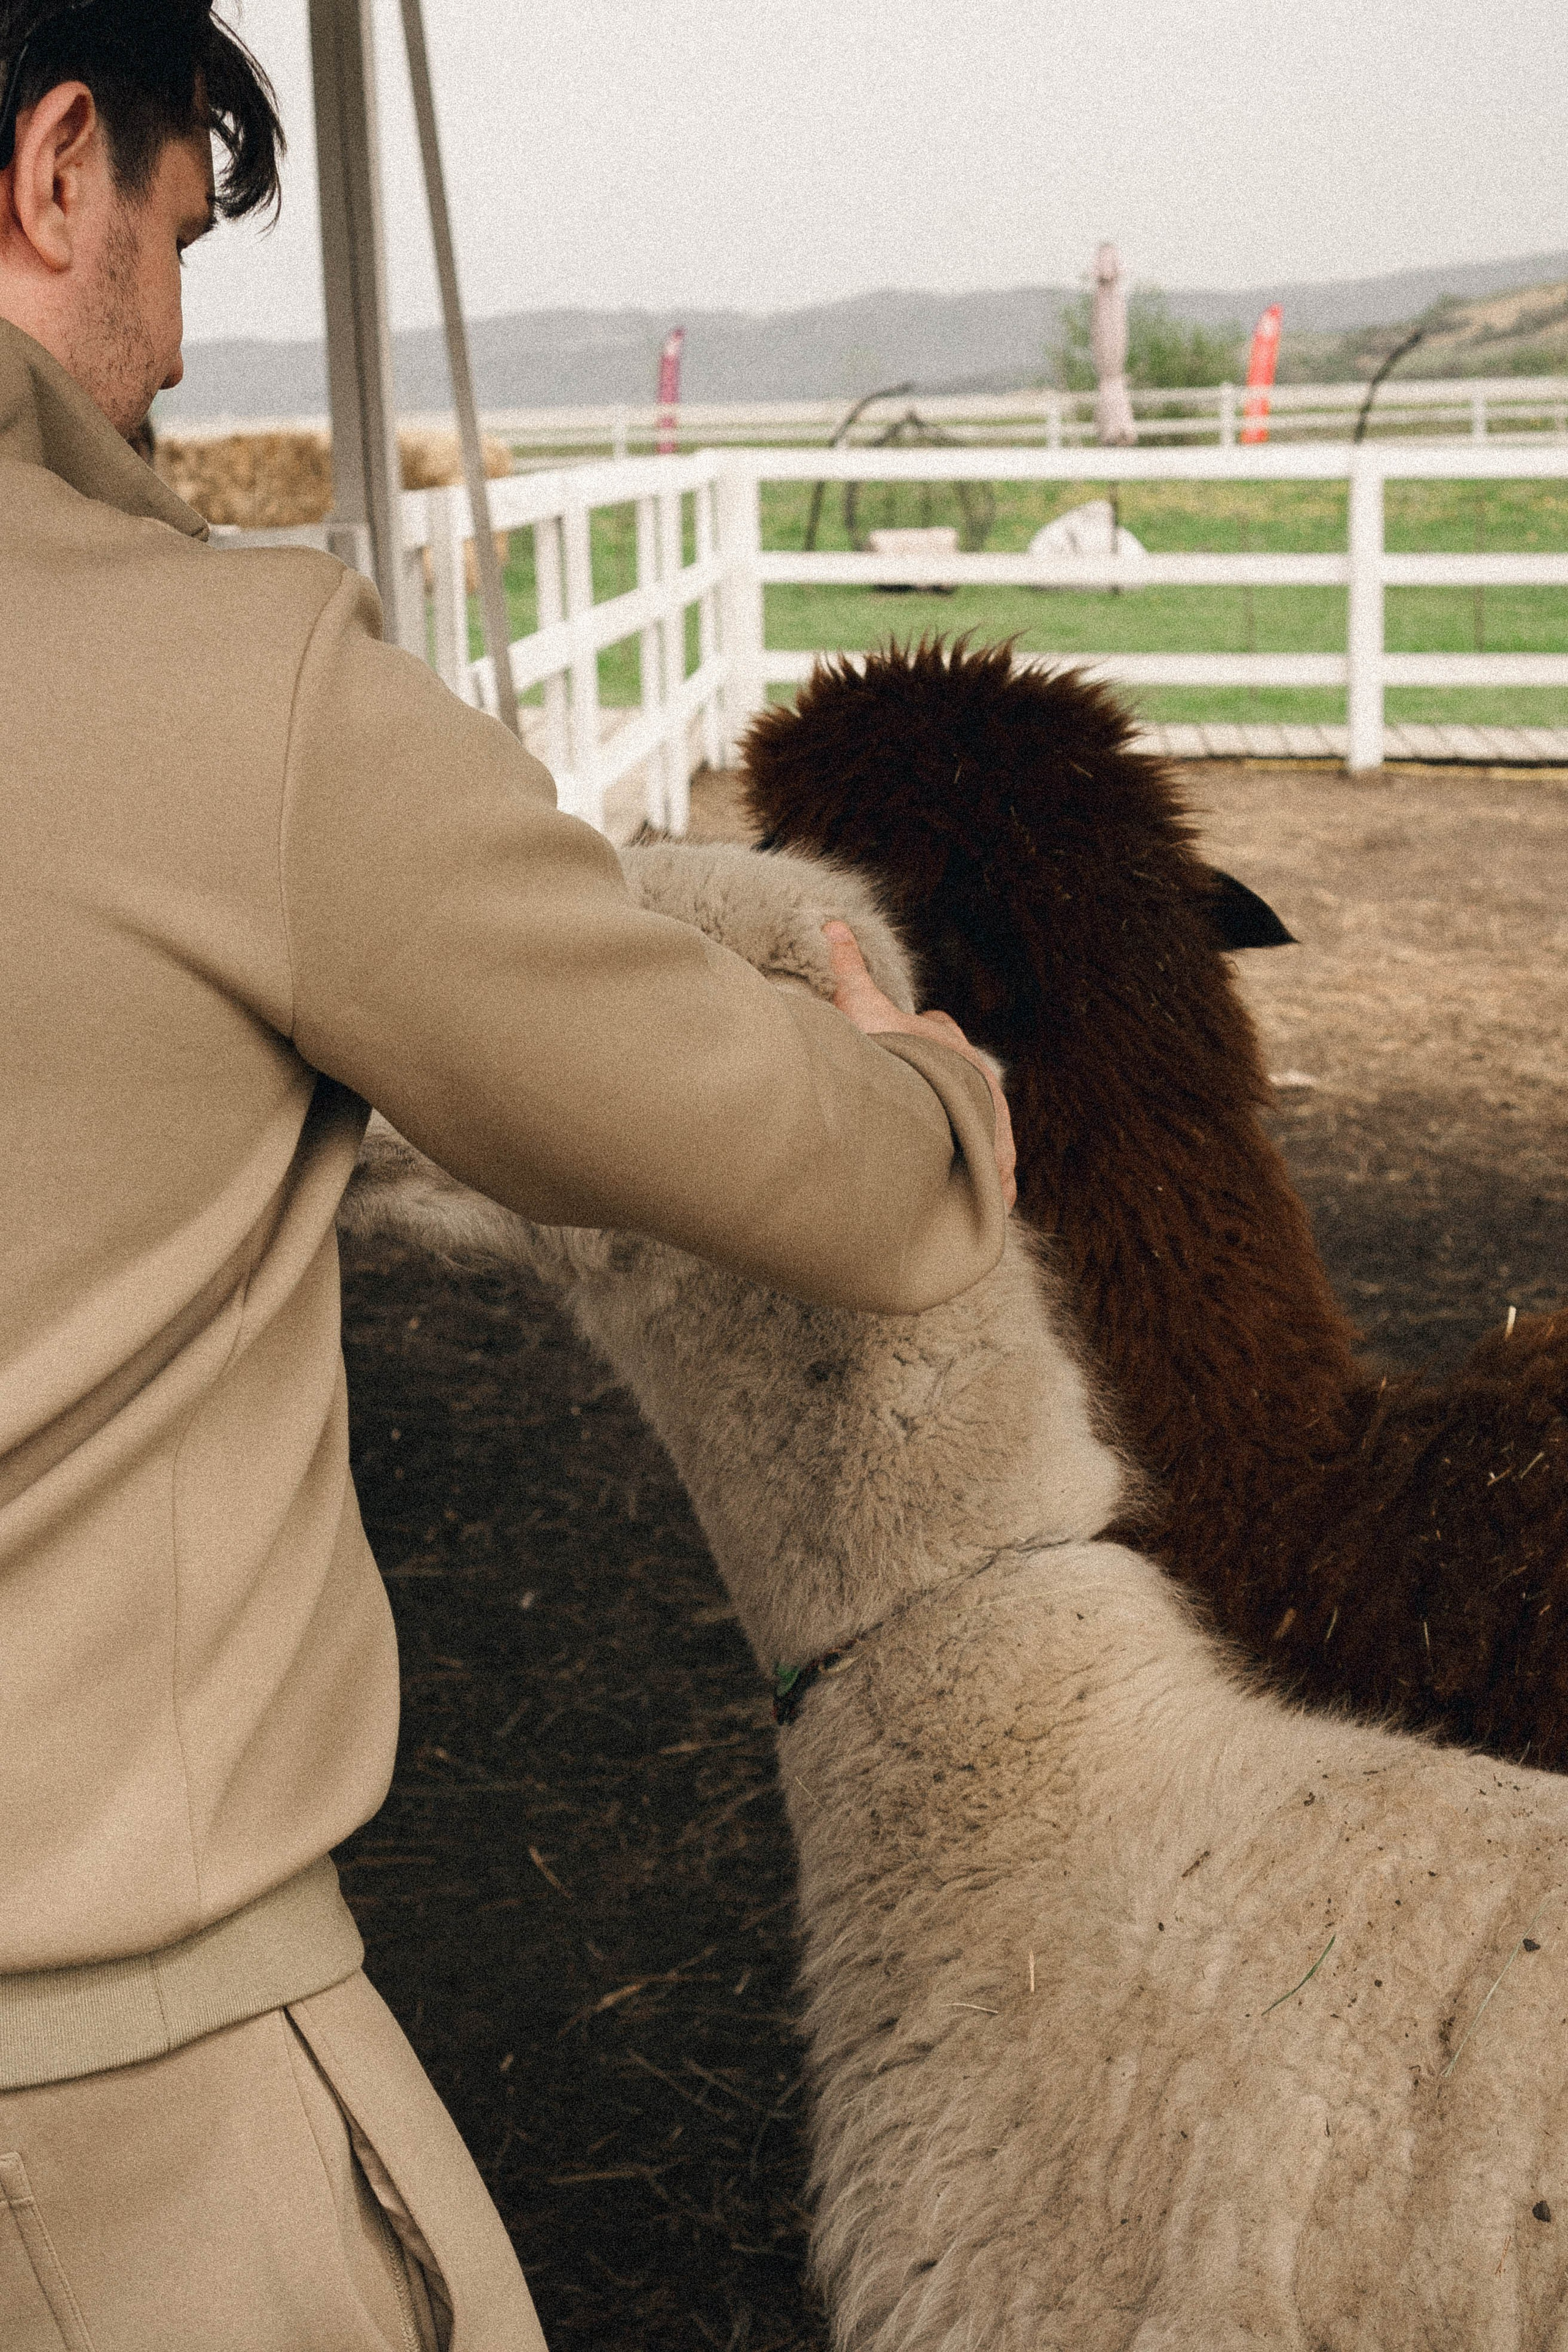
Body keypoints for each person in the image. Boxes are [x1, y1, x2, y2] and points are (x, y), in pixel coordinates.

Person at [0, 6, 1014, 2347]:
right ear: (59, 166)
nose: (179, 344)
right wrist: (933, 1099)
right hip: (116, 2125)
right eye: (176, 233)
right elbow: (747, 1133)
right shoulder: (212, 679)